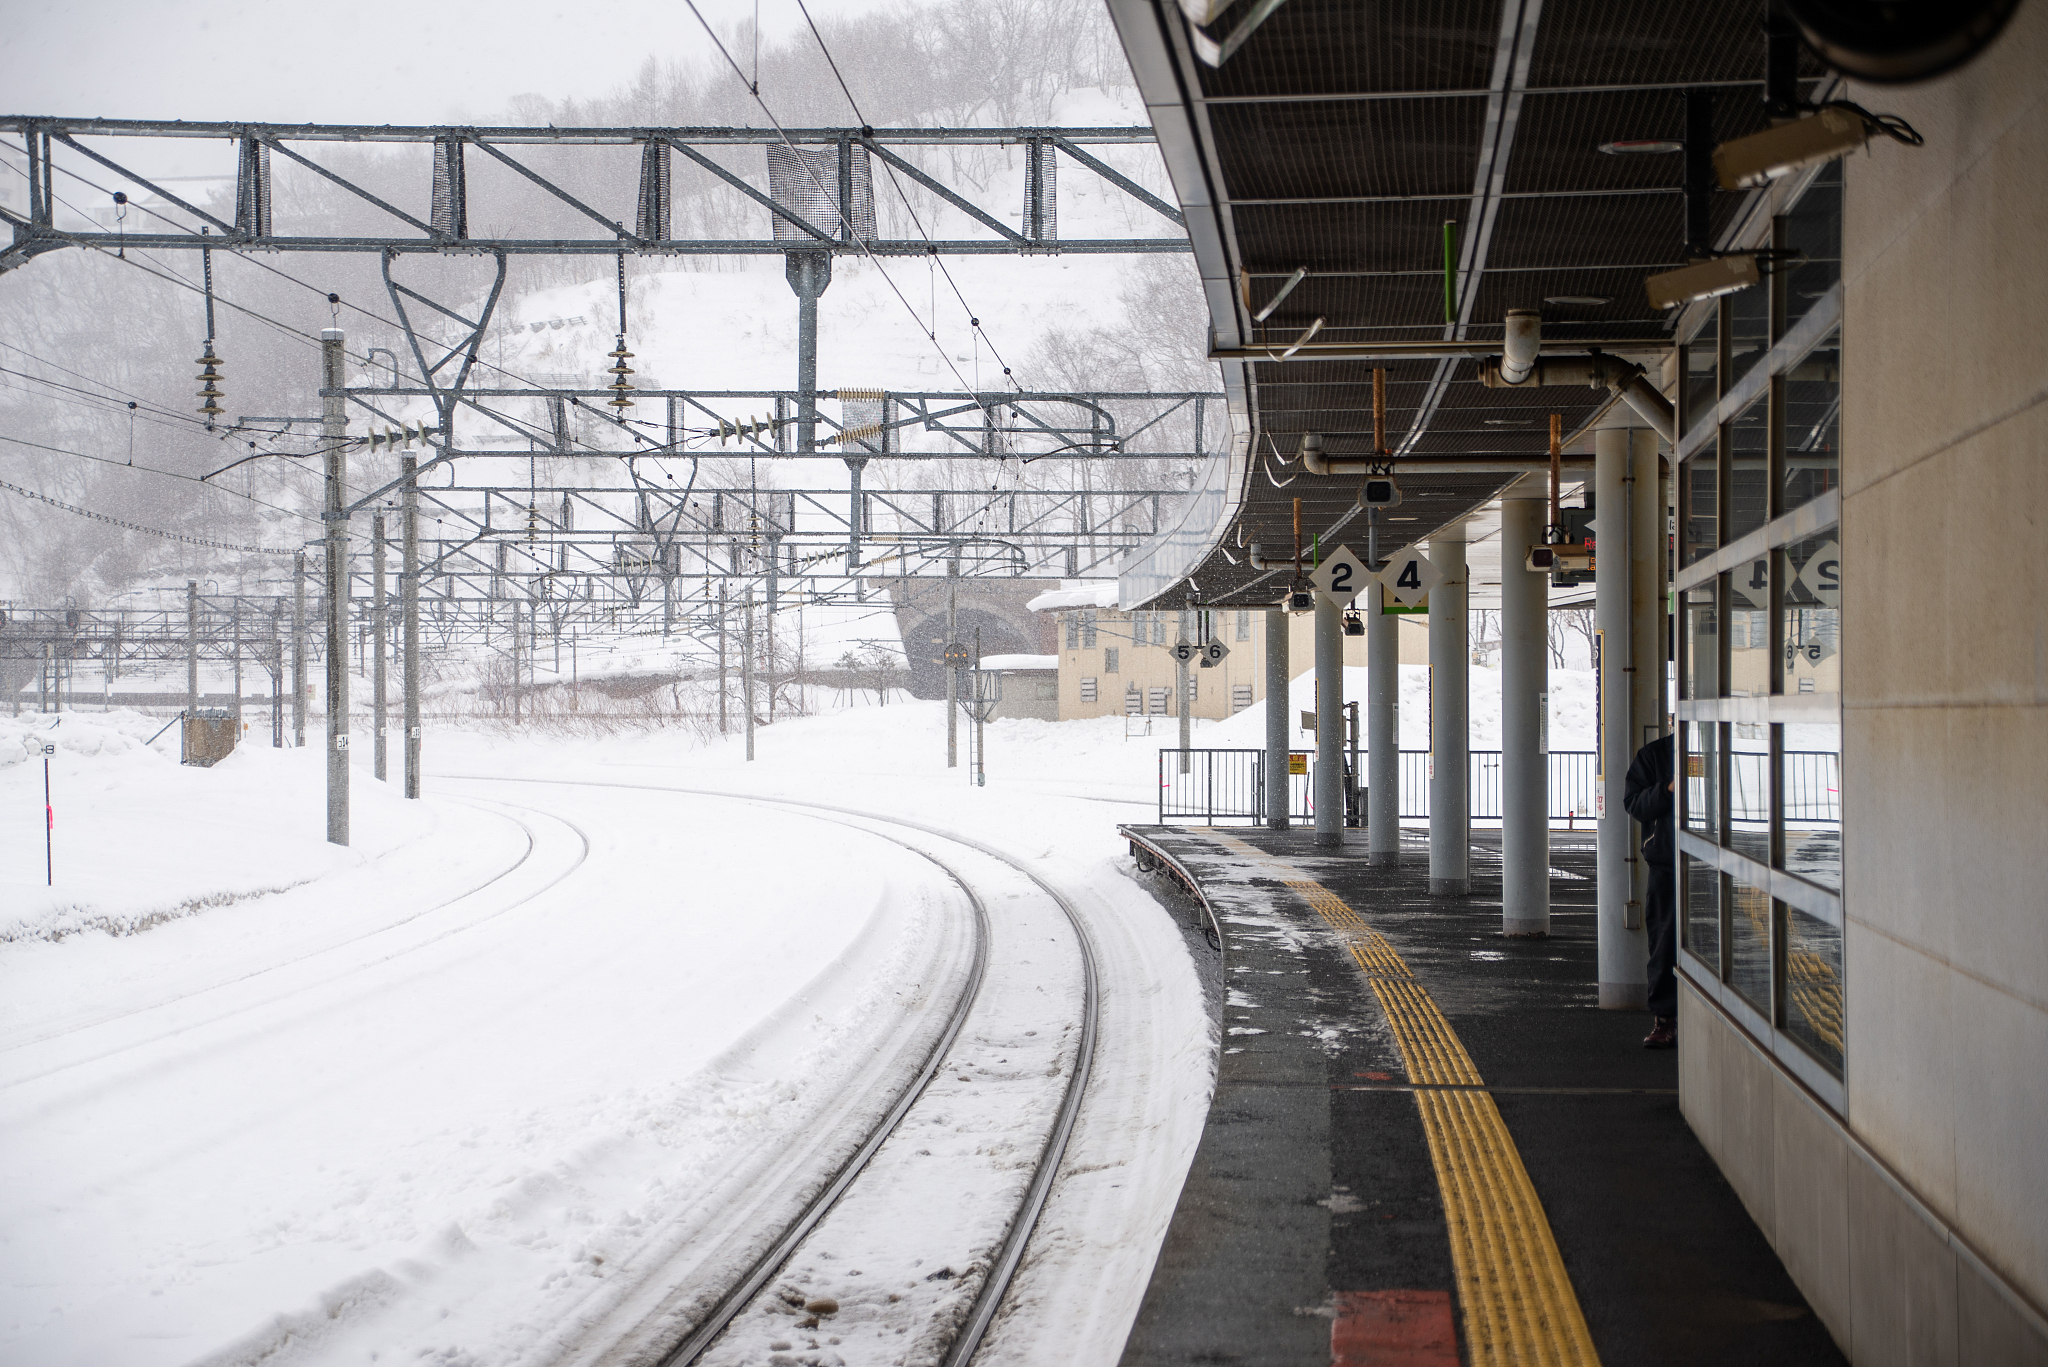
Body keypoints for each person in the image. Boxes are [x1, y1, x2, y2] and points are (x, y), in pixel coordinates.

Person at [1624, 732, 1677, 1049]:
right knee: (1664, 942)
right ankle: (1665, 1019)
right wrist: (1668, 790)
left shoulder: (1717, 747)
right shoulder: (1654, 755)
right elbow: (1633, 804)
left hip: (1710, 864)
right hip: (1666, 865)